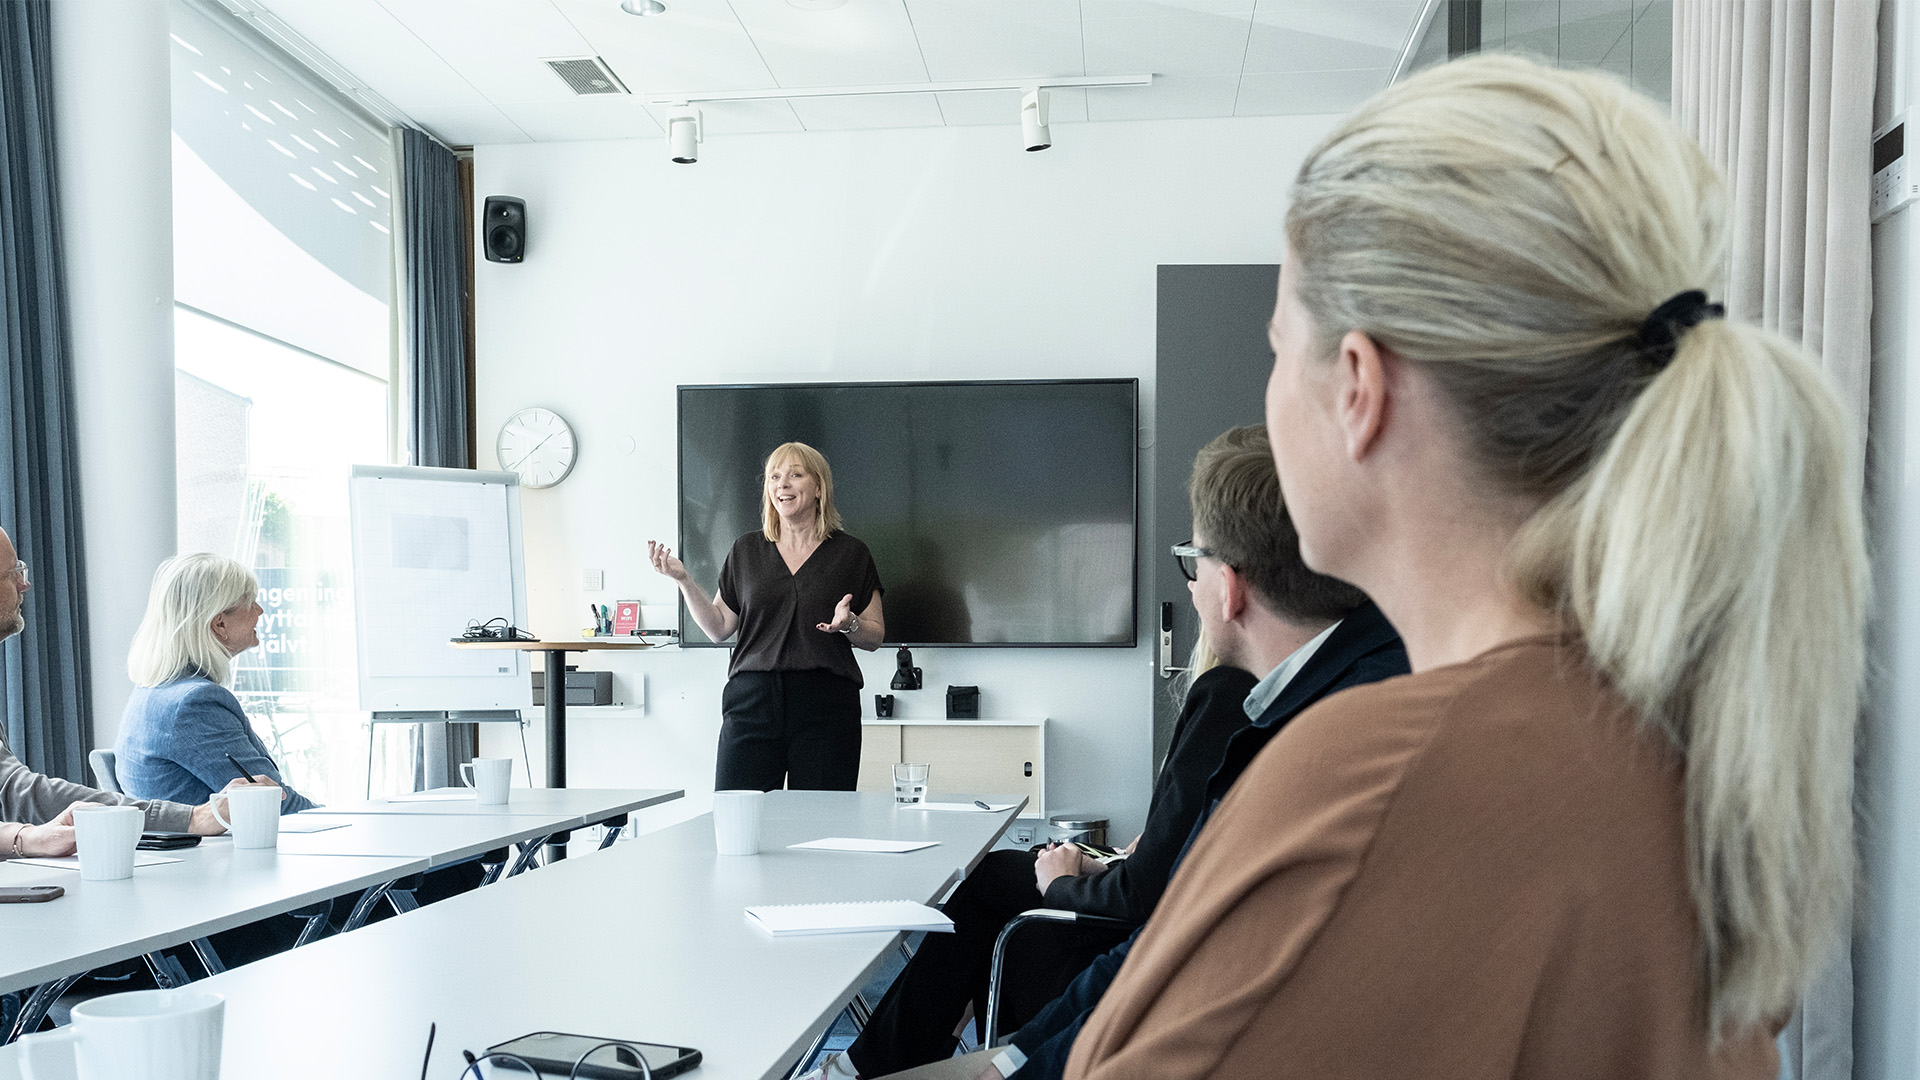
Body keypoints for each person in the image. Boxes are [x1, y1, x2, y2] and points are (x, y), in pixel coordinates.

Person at [1060, 55, 1863, 1080]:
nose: (1268, 393)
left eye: (1276, 348)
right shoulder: (1683, 741)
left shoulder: (1367, 780)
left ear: (1359, 386)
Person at [806, 426, 1407, 1080]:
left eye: (1192, 562)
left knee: (994, 885)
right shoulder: (1377, 678)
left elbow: (1159, 930)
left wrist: (1062, 888)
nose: (1194, 585)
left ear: (1229, 588)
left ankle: (864, 1065)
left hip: (1137, 991)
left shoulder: (1265, 712)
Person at [0, 526, 249, 860]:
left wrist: (23, 837)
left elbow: (12, 791)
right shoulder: (192, 699)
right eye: (13, 572)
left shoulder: (160, 690)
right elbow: (21, 792)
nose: (24, 584)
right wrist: (193, 817)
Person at [649, 442, 885, 791]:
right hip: (752, 702)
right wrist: (684, 581)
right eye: (775, 476)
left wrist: (849, 624)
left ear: (819, 487)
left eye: (795, 475)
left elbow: (876, 635)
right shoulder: (746, 549)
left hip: (826, 706)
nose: (782, 484)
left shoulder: (851, 553)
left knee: (820, 824)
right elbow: (718, 628)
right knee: (738, 820)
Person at [115, 553, 315, 813]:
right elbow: (273, 804)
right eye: (251, 602)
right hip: (217, 851)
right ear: (220, 623)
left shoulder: (153, 691)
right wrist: (347, 820)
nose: (260, 611)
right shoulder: (194, 704)